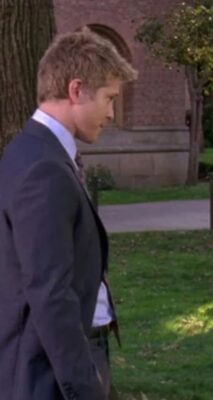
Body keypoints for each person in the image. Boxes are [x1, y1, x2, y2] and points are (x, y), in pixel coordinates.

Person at [0, 28, 136, 399]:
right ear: (76, 90)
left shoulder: (33, 151)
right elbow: (50, 292)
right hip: (48, 374)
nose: (111, 113)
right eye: (109, 98)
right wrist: (84, 387)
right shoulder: (43, 168)